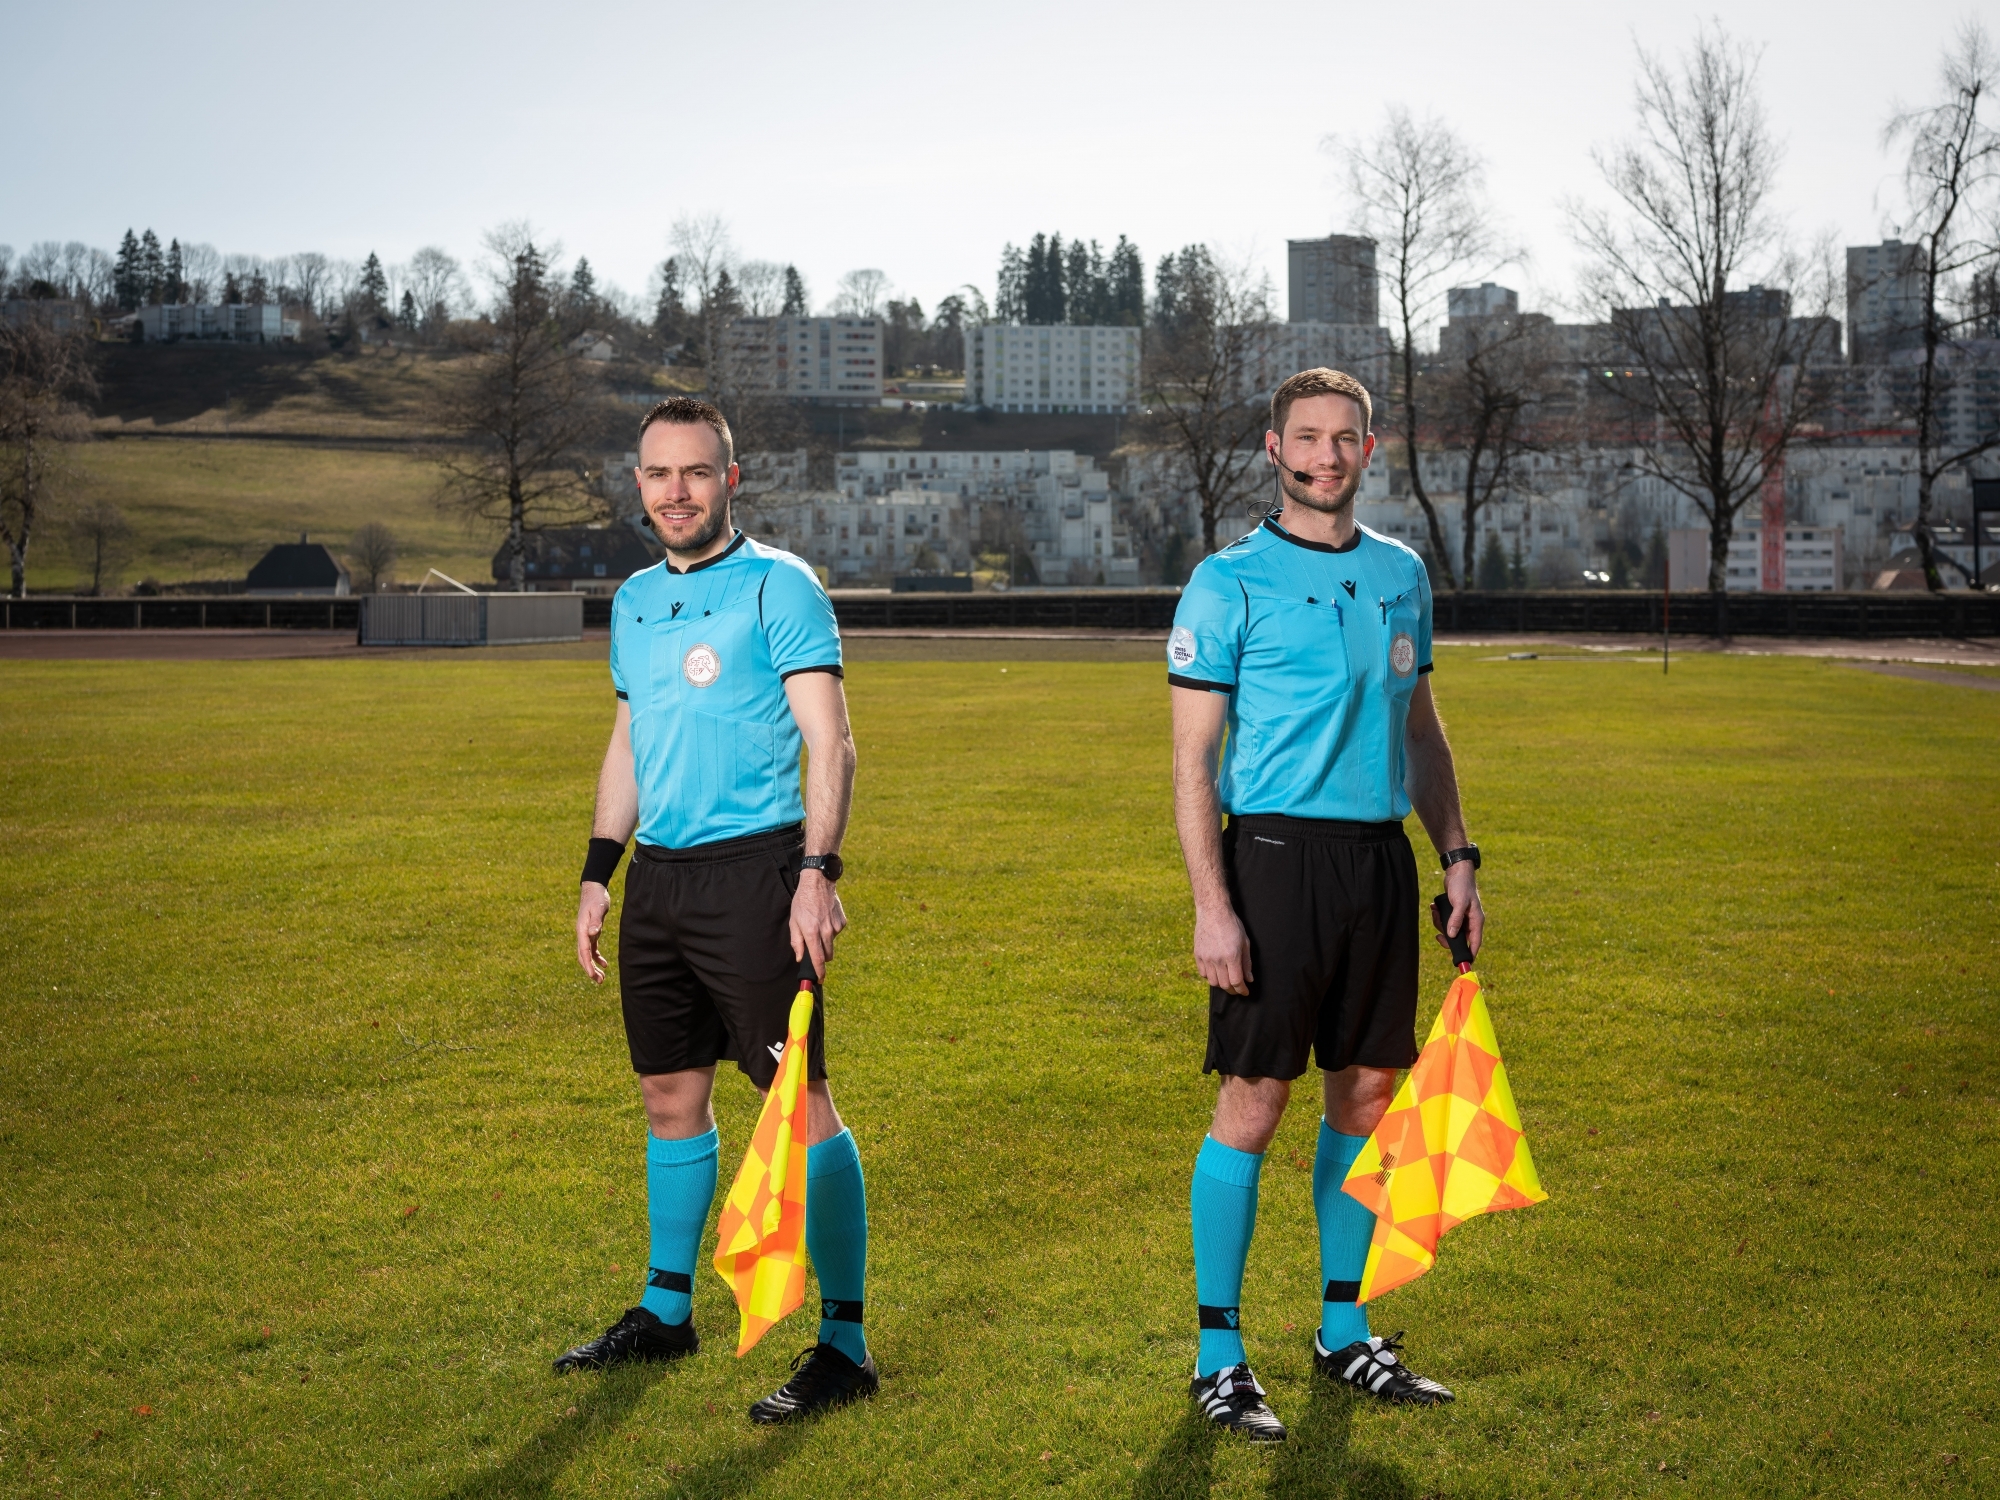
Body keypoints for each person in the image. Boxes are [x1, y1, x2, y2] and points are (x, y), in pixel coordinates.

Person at [1166, 367, 1483, 1442]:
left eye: (1343, 439)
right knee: (1252, 1103)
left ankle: (1342, 1332)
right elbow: (1190, 765)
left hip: (1376, 864)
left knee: (1367, 1095)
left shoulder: (1400, 576)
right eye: (1305, 439)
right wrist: (1213, 904)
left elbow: (1421, 730)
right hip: (1270, 861)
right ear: (1272, 447)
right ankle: (1217, 1353)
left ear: (1368, 447)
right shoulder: (1226, 582)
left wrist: (1454, 853)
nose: (1324, 458)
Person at [553, 396, 878, 1424]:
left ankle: (844, 1341)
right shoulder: (634, 601)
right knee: (668, 1096)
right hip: (660, 879)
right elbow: (626, 743)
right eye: (657, 474)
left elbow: (831, 741)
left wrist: (816, 872)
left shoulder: (779, 587)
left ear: (729, 478)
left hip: (758, 876)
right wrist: (601, 871)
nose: (676, 491)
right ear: (637, 483)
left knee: (799, 1102)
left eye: (695, 472)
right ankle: (665, 1309)